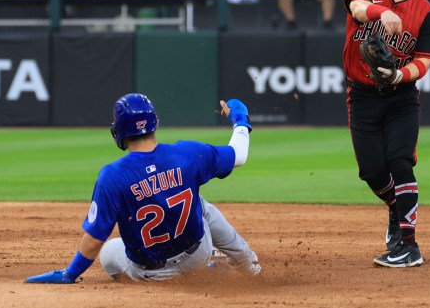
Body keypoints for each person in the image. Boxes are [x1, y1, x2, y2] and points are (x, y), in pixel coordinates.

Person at [25, 93, 261, 283]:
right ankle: (247, 263)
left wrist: (70, 274)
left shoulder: (112, 176)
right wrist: (240, 118)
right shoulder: (188, 153)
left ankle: (201, 273)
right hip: (197, 255)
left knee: (109, 252)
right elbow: (238, 156)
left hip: (151, 273)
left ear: (120, 131)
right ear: (154, 123)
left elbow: (95, 238)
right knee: (198, 204)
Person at [343, 0, 430, 268]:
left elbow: (423, 61)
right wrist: (382, 12)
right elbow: (356, 8)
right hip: (362, 95)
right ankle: (398, 211)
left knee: (400, 161)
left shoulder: (424, 10)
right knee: (372, 171)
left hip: (400, 96)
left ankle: (409, 247)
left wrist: (399, 74)